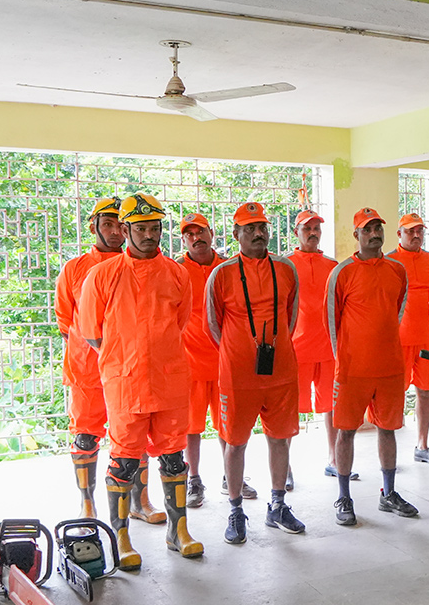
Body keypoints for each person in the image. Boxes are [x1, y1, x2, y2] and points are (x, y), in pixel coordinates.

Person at [78, 192, 202, 566]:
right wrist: (123, 356)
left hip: (169, 379)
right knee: (124, 461)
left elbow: (180, 323)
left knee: (173, 459)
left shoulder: (177, 273)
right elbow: (90, 331)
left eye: (155, 228)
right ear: (126, 229)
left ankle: (178, 530)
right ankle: (121, 536)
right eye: (142, 228)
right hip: (125, 382)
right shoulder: (102, 275)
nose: (150, 235)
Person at [56, 197, 163, 522]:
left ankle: (140, 501)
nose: (115, 231)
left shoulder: (142, 266)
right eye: (107, 224)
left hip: (133, 372)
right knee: (86, 435)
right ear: (93, 227)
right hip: (88, 373)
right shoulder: (75, 268)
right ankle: (87, 503)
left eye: (120, 224)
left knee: (136, 437)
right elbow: (65, 321)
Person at [206, 202, 304, 544]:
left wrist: (275, 344)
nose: (258, 233)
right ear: (236, 234)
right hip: (237, 375)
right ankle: (235, 510)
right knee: (235, 442)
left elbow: (291, 318)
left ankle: (277, 505)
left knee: (280, 438)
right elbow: (213, 325)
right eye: (249, 228)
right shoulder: (222, 274)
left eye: (261, 226)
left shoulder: (286, 269)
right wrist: (239, 350)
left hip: (281, 371)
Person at [325, 208, 417, 525]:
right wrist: (345, 359)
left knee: (388, 430)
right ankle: (343, 497)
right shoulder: (342, 273)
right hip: (352, 370)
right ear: (357, 235)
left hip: (390, 367)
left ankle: (388, 493)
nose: (374, 234)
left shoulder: (397, 270)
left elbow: (397, 312)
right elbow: (332, 322)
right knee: (346, 432)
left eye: (378, 227)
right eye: (367, 229)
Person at [176, 212, 255, 508]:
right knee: (191, 429)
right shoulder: (176, 269)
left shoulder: (228, 268)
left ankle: (230, 477)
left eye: (201, 232)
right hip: (189, 365)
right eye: (190, 234)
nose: (197, 238)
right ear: (184, 239)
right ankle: (193, 479)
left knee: (229, 427)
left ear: (212, 233)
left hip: (226, 361)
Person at [288, 209, 354, 484]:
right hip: (296, 350)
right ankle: (286, 468)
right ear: (296, 233)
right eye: (307, 229)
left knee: (332, 409)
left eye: (316, 228)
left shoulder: (333, 266)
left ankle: (334, 459)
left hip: (329, 349)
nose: (312, 232)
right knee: (289, 413)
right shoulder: (285, 265)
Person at [389, 212, 429, 467]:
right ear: (399, 234)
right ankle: (389, 452)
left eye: (420, 230)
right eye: (410, 231)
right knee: (394, 395)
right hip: (397, 339)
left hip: (427, 337)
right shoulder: (389, 260)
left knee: (425, 392)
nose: (416, 235)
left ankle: (422, 445)